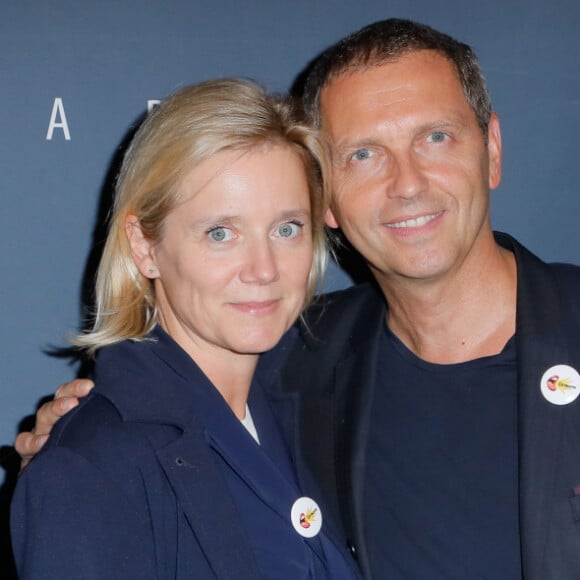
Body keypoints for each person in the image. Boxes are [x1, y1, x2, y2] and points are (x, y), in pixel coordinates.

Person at [15, 18, 580, 579]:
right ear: (330, 202)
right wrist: (75, 452)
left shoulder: (279, 369)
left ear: (493, 149)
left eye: (435, 137)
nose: (407, 182)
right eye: (364, 153)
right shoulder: (301, 362)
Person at [10, 78, 360, 580]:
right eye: (221, 233)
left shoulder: (304, 408)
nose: (264, 269)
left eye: (287, 229)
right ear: (146, 247)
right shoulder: (91, 468)